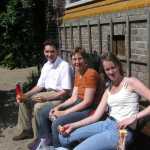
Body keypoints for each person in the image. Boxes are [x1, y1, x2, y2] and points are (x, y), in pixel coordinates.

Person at [59, 52, 150, 150]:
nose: (111, 72)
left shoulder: (130, 82)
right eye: (107, 69)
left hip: (123, 132)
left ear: (118, 66)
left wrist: (134, 117)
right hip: (106, 123)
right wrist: (73, 125)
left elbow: (121, 144)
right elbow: (95, 117)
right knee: (64, 137)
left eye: (113, 67)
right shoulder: (108, 89)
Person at [33, 47, 104, 149]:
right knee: (43, 112)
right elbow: (73, 97)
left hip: (89, 109)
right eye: (74, 59)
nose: (77, 62)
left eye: (80, 59)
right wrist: (59, 107)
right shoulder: (78, 74)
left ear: (85, 60)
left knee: (57, 123)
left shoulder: (90, 73)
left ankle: (59, 147)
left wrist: (64, 112)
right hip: (78, 104)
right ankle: (46, 141)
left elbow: (87, 102)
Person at [12, 39, 72, 141]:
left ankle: (40, 138)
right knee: (24, 100)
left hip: (60, 96)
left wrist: (46, 98)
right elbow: (39, 86)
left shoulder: (64, 66)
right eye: (47, 52)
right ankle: (27, 130)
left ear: (57, 51)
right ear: (44, 52)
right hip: (47, 93)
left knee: (38, 107)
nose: (49, 54)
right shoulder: (46, 65)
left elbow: (65, 92)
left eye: (52, 51)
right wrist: (25, 95)